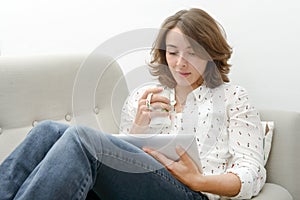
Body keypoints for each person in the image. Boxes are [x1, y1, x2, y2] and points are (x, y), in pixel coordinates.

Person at [0, 8, 266, 200]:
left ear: (210, 55)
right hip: (148, 182)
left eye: (192, 53)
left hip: (194, 193)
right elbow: (123, 163)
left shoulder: (233, 97)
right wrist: (138, 128)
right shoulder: (147, 98)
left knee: (82, 139)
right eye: (173, 52)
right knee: (47, 131)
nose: (180, 62)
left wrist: (198, 180)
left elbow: (251, 171)